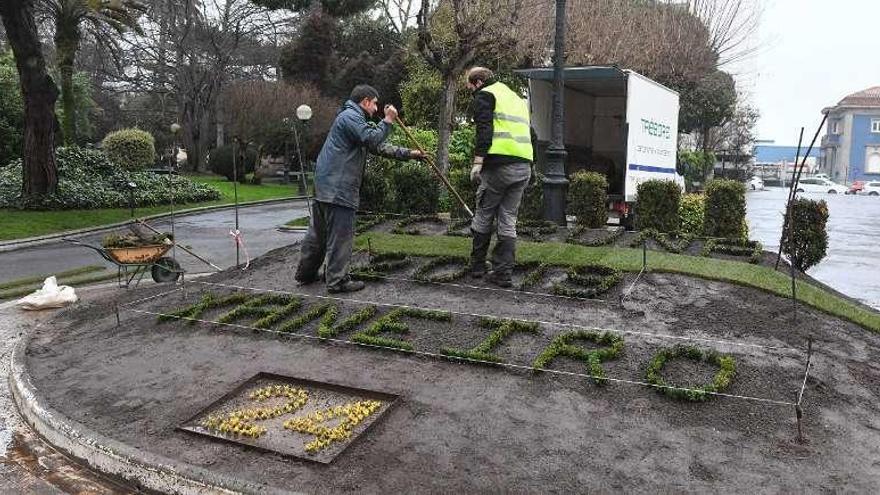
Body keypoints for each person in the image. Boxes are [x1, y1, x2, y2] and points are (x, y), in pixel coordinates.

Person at [295, 85, 425, 293]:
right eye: (374, 103)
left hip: (326, 185)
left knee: (318, 235)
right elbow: (372, 139)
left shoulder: (351, 119)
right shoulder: (351, 117)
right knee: (341, 236)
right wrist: (389, 119)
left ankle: (306, 274)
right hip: (339, 188)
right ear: (365, 101)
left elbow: (376, 146)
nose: (376, 108)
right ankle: (337, 281)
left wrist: (409, 153)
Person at [466, 67, 534, 288]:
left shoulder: (485, 95)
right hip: (523, 165)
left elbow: (484, 130)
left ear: (477, 82)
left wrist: (478, 163)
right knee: (508, 219)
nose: (470, 92)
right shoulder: (515, 97)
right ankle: (503, 273)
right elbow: (531, 134)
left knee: (484, 213)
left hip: (499, 166)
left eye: (470, 87)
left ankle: (477, 267)